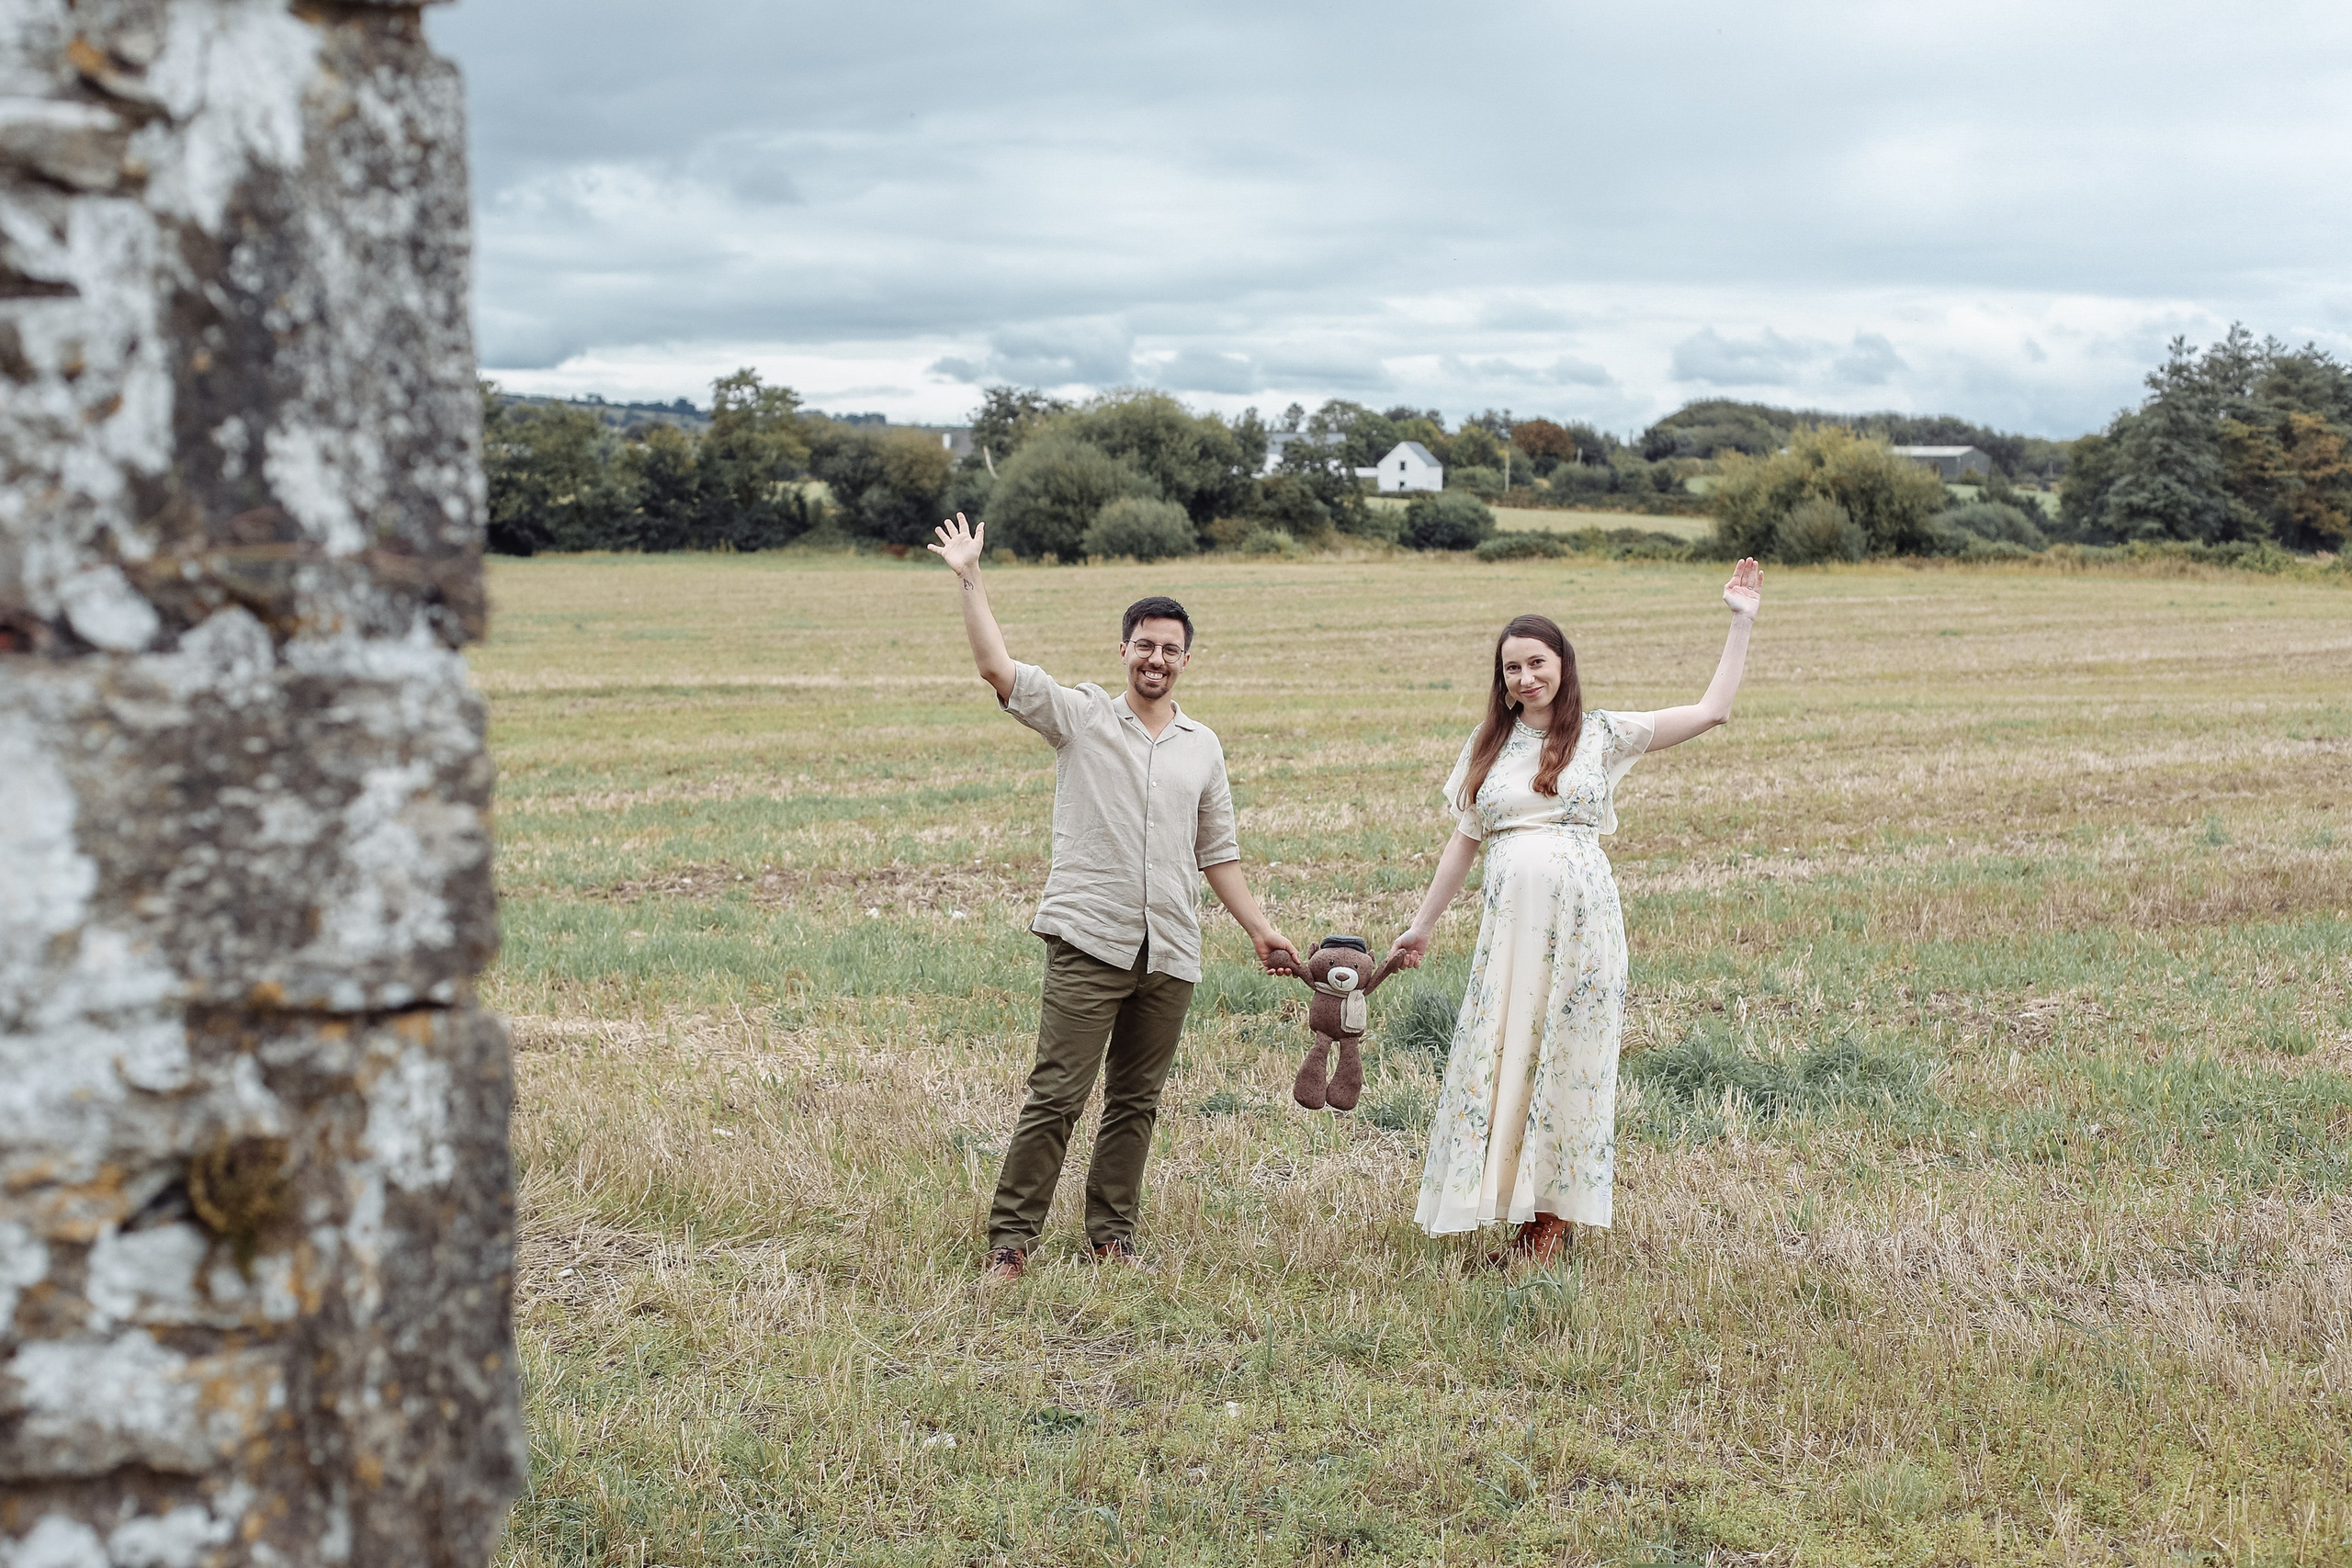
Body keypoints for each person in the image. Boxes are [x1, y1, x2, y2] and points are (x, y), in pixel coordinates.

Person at [930, 513, 1301, 1282]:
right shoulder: (1082, 717)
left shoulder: (1203, 745)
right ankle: (1011, 1242)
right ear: (1123, 649)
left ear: (1186, 659)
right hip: (1090, 939)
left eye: (1169, 648)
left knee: (1137, 1101)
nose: (1155, 658)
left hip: (1171, 950)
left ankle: (1111, 1236)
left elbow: (1217, 852)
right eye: (1144, 644)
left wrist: (1260, 930)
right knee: (1057, 1095)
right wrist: (970, 577)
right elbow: (997, 668)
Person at [1387, 560, 1764, 1267]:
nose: (1526, 676)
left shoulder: (1602, 734)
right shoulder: (1487, 744)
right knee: (1506, 1057)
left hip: (1582, 928)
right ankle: (1512, 1205)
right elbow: (1462, 843)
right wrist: (1421, 924)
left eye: (1537, 661)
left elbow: (1711, 710)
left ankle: (1548, 1222)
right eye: (1512, 668)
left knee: (1568, 1060)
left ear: (1562, 664)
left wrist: (1740, 622)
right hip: (1509, 934)